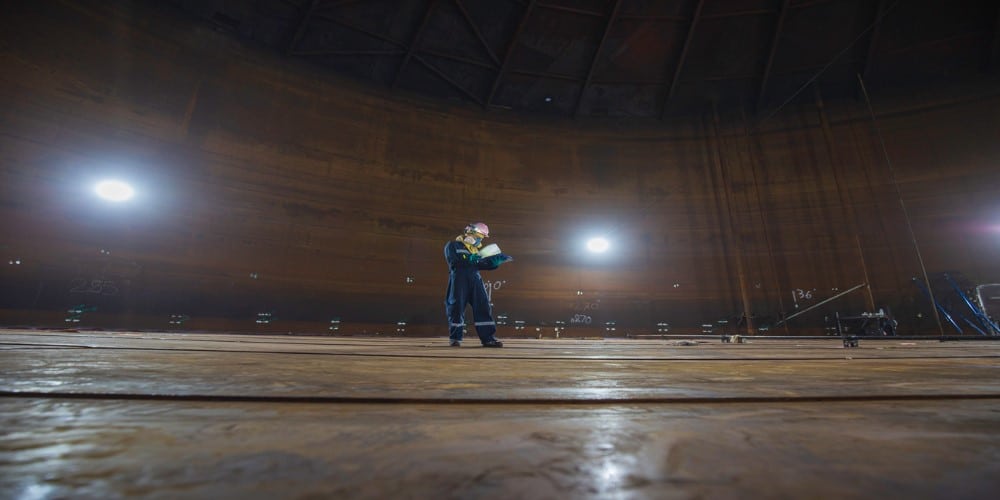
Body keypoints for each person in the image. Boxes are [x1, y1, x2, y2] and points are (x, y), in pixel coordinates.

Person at [444, 222, 513, 347]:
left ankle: (488, 339)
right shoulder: (452, 245)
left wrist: (495, 261)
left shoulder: (475, 251)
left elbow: (482, 264)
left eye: (480, 238)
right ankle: (455, 338)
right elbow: (455, 261)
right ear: (469, 233)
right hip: (459, 280)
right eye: (478, 236)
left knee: (483, 306)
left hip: (475, 279)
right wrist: (472, 258)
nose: (478, 240)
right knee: (456, 308)